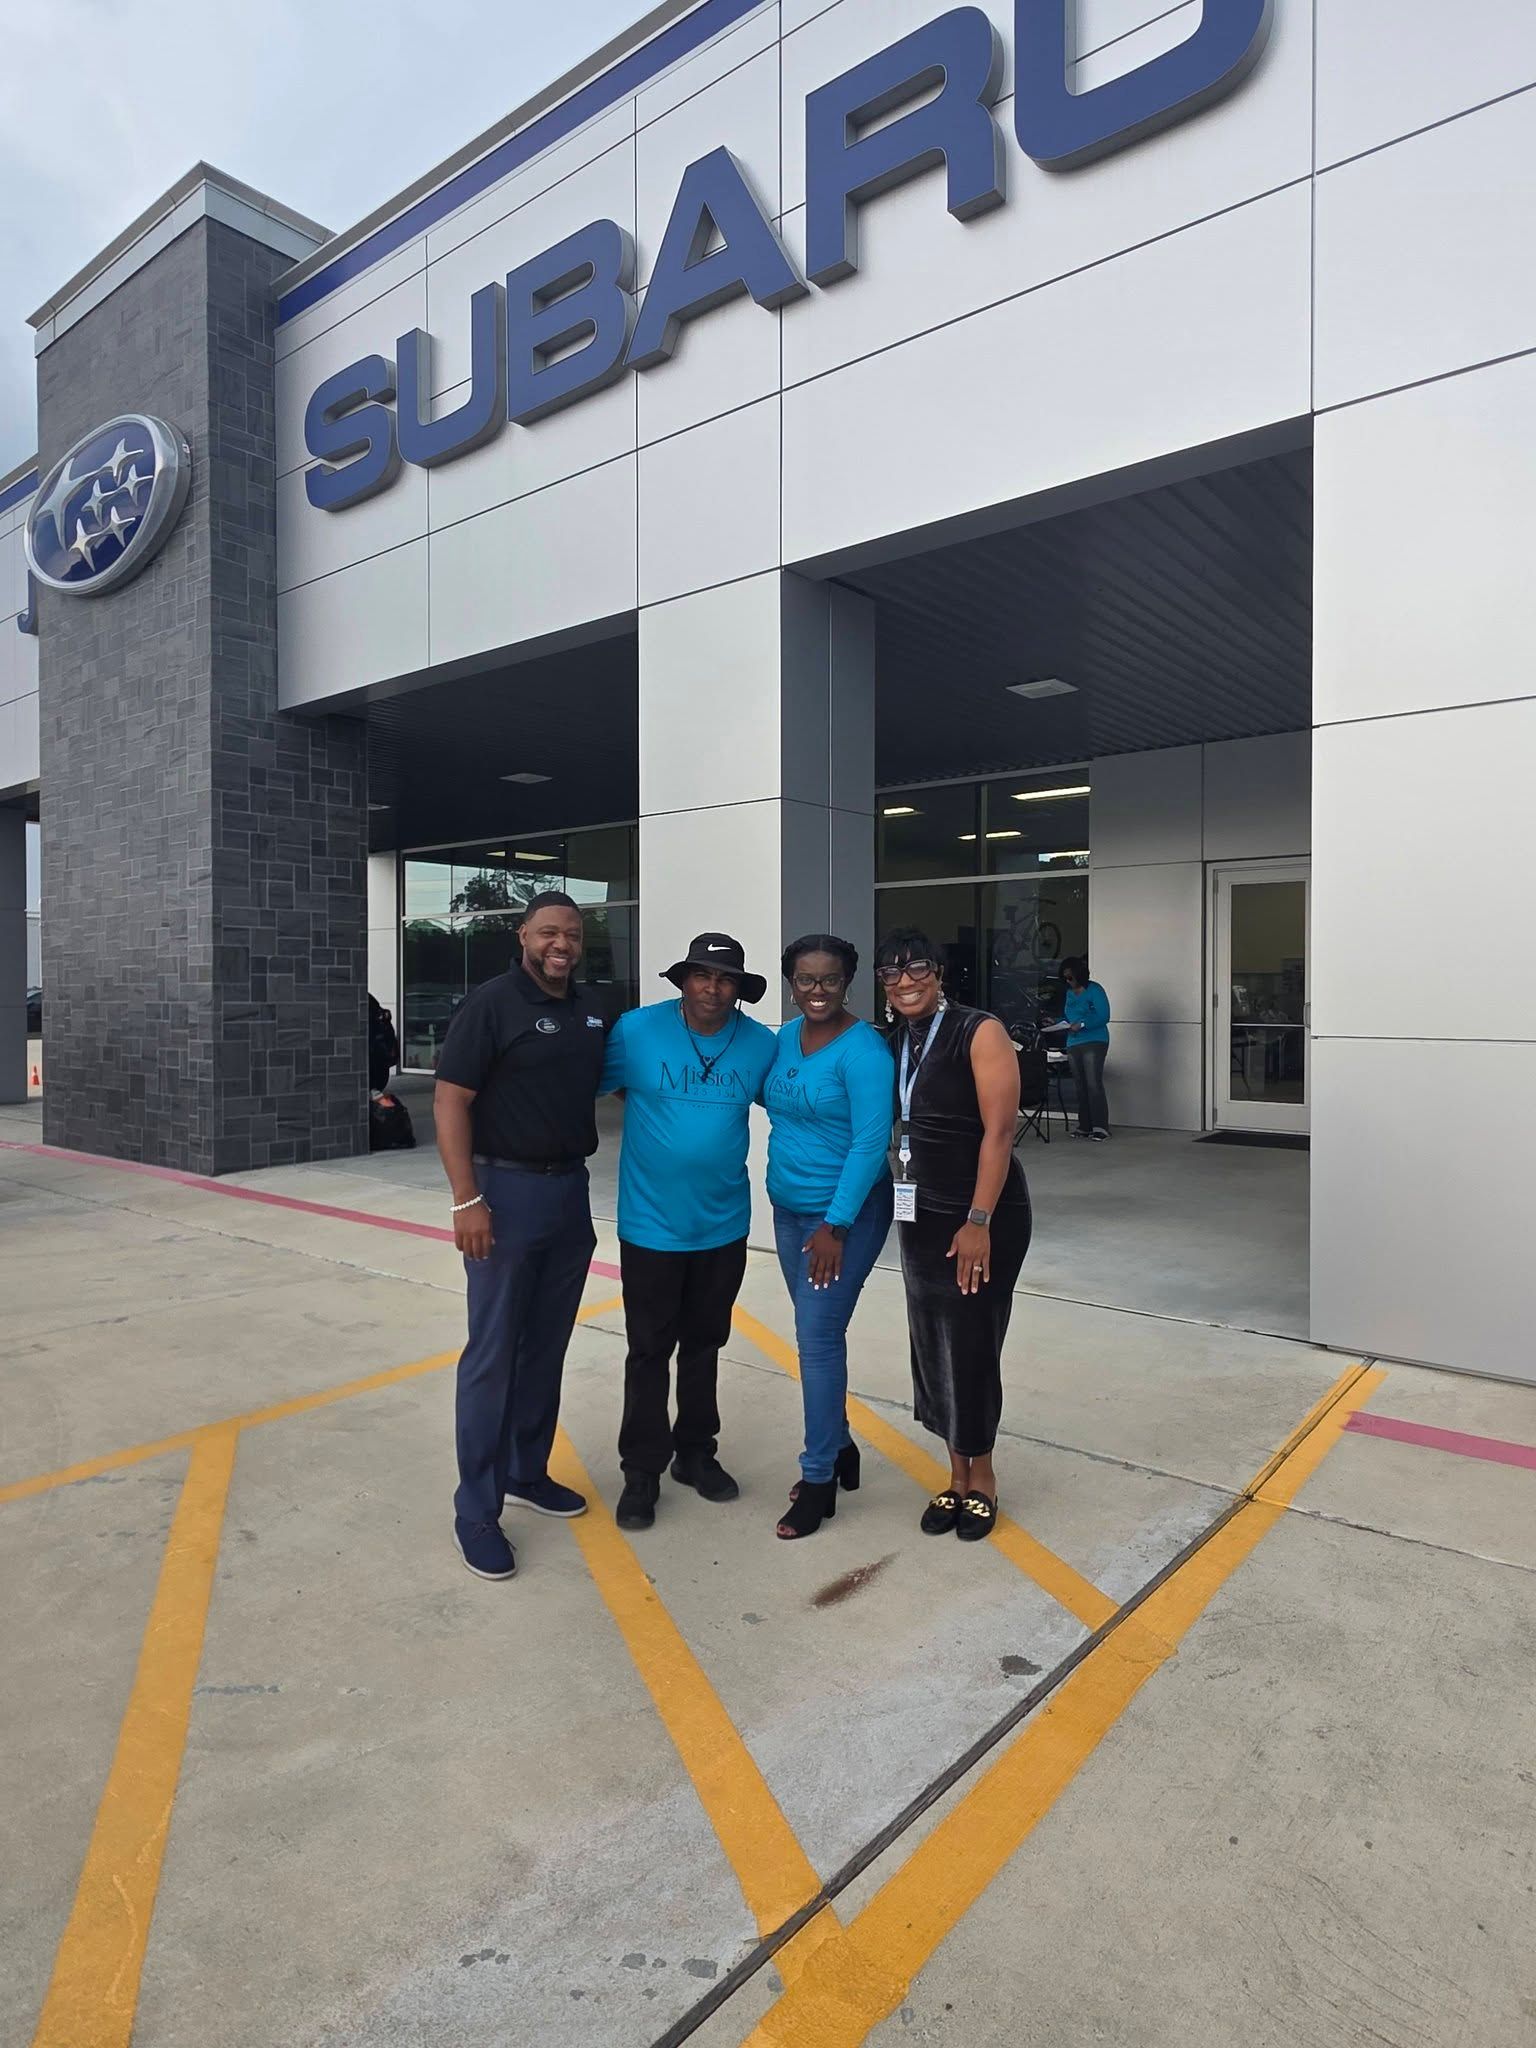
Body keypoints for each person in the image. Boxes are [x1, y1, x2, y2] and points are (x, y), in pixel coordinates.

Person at [433, 891, 611, 1581]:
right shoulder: (492, 1003)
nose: (560, 944)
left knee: (545, 1347)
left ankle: (525, 1472)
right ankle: (475, 1509)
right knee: (494, 1352)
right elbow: (450, 1100)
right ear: (523, 935)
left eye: (570, 933)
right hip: (502, 1194)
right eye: (547, 933)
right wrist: (466, 1198)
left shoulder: (593, 1008)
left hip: (569, 1192)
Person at [601, 933, 777, 1532]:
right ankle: (641, 1471)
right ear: (683, 981)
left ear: (738, 989)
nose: (712, 987)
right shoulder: (635, 1030)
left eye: (725, 978)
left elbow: (792, 1106)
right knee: (648, 1350)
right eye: (701, 975)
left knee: (704, 1345)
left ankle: (696, 1454)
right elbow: (602, 1085)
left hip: (723, 1224)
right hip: (650, 1225)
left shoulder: (759, 1044)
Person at [878, 926, 1030, 1545]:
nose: (906, 981)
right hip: (919, 1210)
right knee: (930, 1340)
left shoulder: (978, 1029)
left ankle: (984, 1477)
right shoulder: (894, 1041)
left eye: (917, 968)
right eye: (892, 973)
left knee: (970, 1341)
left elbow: (999, 1133)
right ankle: (954, 1472)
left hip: (981, 1209)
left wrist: (978, 1222)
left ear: (940, 974)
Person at [763, 936, 895, 1540]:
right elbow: (771, 1099)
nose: (817, 991)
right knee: (815, 1334)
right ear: (791, 981)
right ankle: (841, 1449)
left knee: (816, 1341)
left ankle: (818, 1479)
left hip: (843, 1218)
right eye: (806, 980)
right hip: (788, 1211)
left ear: (850, 983)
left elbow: (871, 1143)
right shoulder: (785, 1038)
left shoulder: (864, 1051)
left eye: (831, 980)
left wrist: (834, 1225)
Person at [1058, 957, 1111, 1140]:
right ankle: (1085, 1125)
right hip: (1074, 1041)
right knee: (1080, 1085)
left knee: (1093, 1082)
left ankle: (1100, 1126)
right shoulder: (1069, 994)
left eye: (1071, 978)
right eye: (1065, 978)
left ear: (1079, 976)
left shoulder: (1095, 990)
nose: (1068, 982)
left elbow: (1104, 1015)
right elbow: (1068, 1015)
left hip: (1094, 1040)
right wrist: (1058, 1024)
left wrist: (1082, 1024)